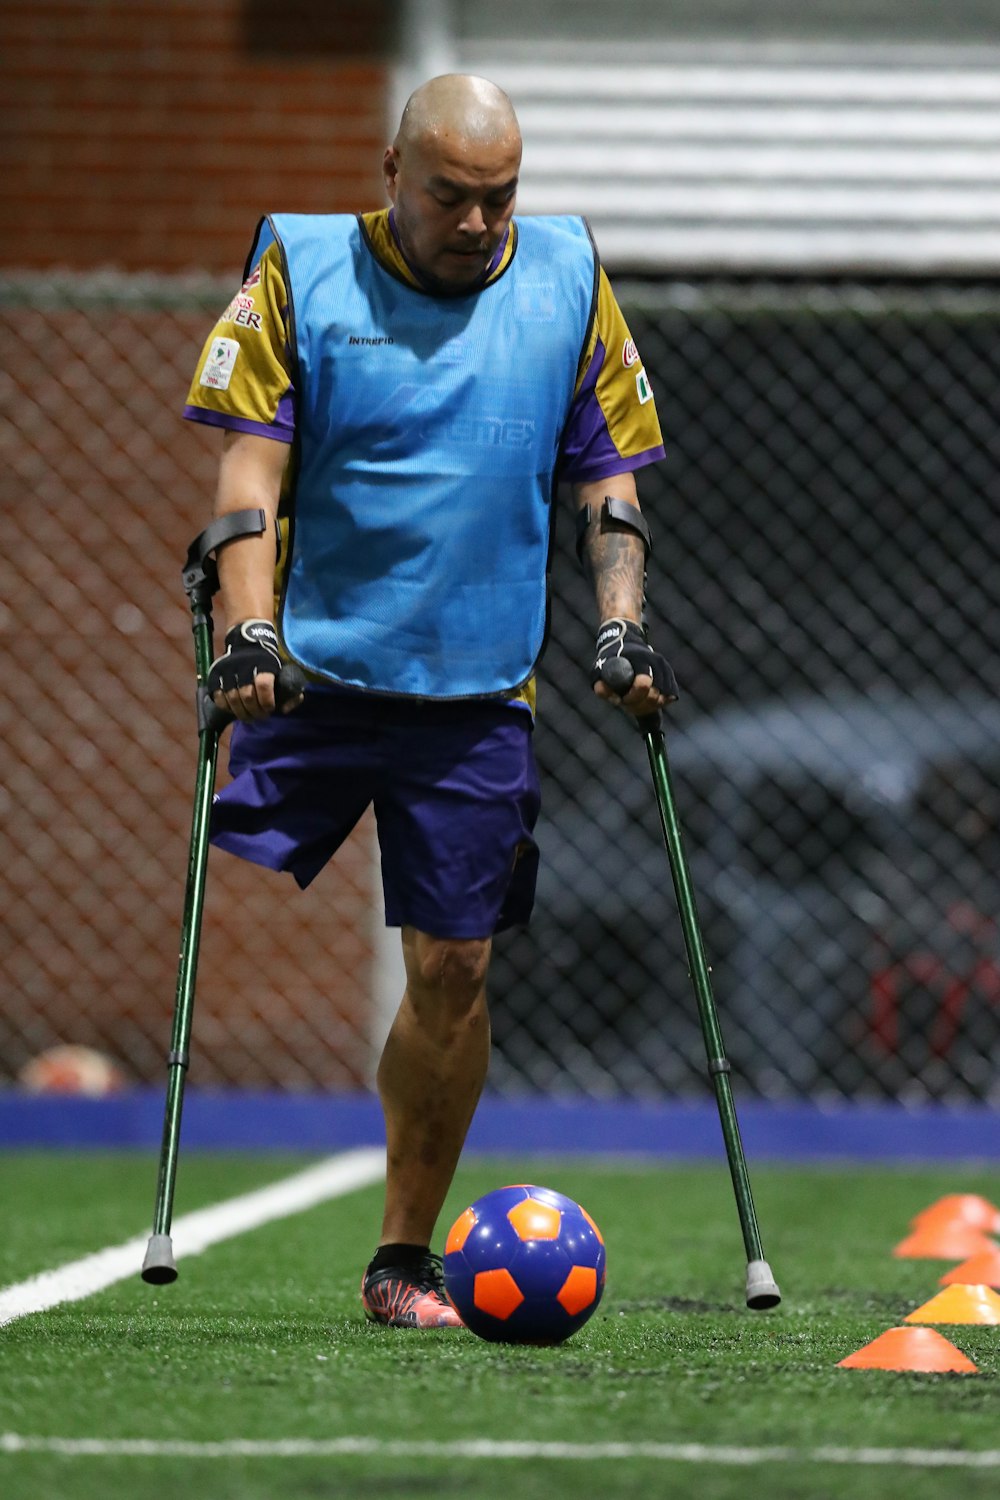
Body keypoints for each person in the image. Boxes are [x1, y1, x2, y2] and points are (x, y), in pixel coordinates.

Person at [183, 74, 676, 1328]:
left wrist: (621, 622)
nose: (477, 222)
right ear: (389, 170)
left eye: (499, 197)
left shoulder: (566, 275)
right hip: (315, 664)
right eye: (451, 196)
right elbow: (250, 464)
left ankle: (403, 1258)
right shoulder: (301, 267)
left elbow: (607, 476)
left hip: (475, 683)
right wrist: (246, 624)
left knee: (455, 965)